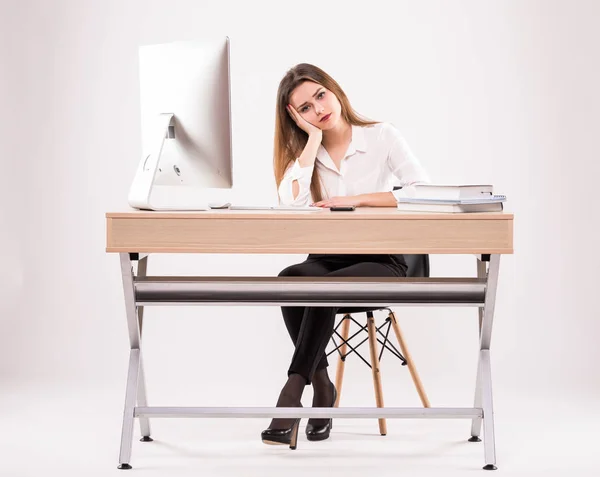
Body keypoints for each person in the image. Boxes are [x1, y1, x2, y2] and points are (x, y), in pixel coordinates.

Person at [261, 63, 430, 449]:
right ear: (296, 117)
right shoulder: (305, 155)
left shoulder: (381, 136)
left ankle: (292, 392)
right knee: (290, 279)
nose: (318, 108)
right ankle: (322, 385)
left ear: (334, 90)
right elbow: (291, 209)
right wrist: (310, 145)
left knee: (322, 286)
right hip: (326, 257)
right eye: (304, 107)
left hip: (382, 260)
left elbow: (423, 192)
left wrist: (355, 201)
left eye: (320, 95)